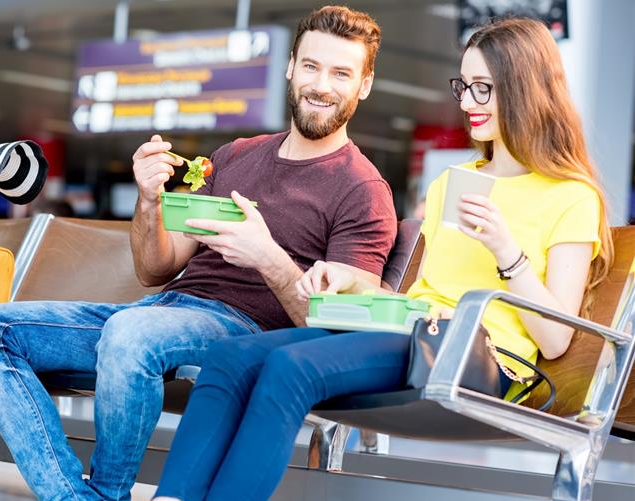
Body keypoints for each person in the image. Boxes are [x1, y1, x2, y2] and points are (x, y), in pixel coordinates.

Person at [153, 17, 613, 501]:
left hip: (481, 358)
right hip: (416, 333)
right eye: (464, 86)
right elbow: (420, 297)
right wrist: (352, 282)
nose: (466, 103)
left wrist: (507, 252)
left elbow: (557, 338)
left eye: (484, 88)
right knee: (231, 358)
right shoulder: (452, 182)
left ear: (523, 90)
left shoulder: (570, 197)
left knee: (292, 369)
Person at [0, 6, 396, 501]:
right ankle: (73, 496)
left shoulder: (362, 190)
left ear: (364, 85)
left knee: (131, 333)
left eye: (341, 73)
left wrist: (267, 256)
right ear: (291, 67)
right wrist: (149, 201)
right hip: (160, 312)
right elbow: (155, 269)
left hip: (245, 333)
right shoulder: (236, 155)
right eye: (313, 66)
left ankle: (106, 490)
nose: (322, 85)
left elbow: (339, 335)